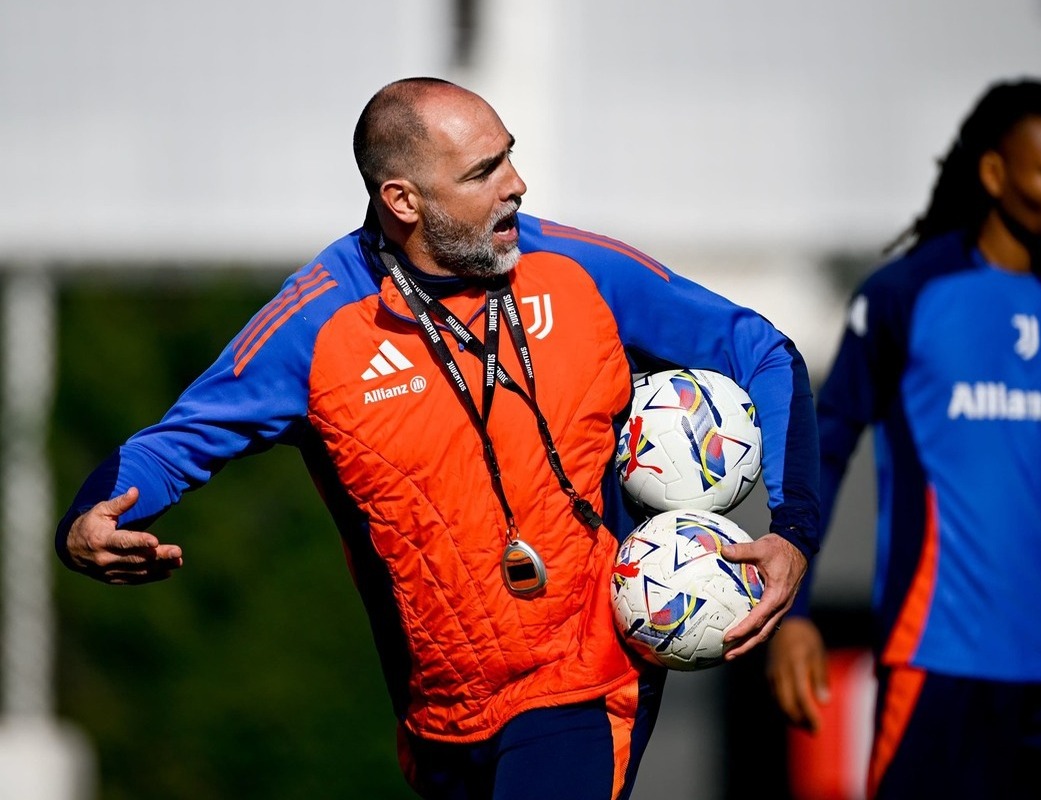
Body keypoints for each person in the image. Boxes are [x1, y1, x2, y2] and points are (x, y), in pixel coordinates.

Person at [56, 77, 819, 800]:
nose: (517, 184)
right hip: (440, 721)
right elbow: (173, 443)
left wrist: (792, 530)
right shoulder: (315, 326)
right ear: (403, 200)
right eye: (484, 172)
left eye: (509, 155)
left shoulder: (576, 269)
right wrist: (88, 519)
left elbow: (763, 352)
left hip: (586, 679)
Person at [768, 77, 1041, 799]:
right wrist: (795, 611)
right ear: (996, 174)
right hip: (937, 666)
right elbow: (827, 448)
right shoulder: (906, 296)